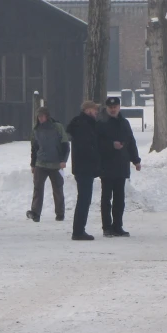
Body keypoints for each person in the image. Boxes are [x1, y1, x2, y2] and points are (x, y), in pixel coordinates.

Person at [97, 96, 141, 237]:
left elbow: (131, 142)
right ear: (107, 108)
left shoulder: (124, 123)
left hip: (121, 165)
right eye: (110, 107)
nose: (113, 109)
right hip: (106, 165)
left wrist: (136, 160)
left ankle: (118, 226)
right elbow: (97, 143)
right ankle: (107, 227)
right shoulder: (101, 123)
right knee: (106, 198)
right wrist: (111, 145)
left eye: (115, 107)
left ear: (119, 107)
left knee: (119, 199)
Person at [66, 100, 102, 240]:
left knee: (84, 199)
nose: (96, 112)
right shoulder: (84, 125)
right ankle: (78, 231)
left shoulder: (83, 124)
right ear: (88, 110)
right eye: (94, 110)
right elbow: (87, 147)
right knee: (84, 199)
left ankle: (79, 229)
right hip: (84, 167)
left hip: (82, 167)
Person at [27, 106, 69, 223]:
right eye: (38, 117)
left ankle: (60, 213)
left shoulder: (57, 127)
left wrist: (63, 160)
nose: (40, 118)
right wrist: (33, 164)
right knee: (38, 188)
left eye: (42, 116)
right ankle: (35, 213)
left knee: (58, 189)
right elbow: (34, 148)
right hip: (40, 163)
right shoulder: (36, 130)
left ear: (47, 116)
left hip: (55, 164)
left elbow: (65, 145)